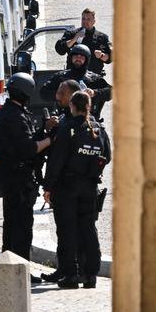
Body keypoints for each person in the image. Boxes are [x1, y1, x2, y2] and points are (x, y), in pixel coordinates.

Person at [41, 90, 111, 289]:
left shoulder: (68, 128)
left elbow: (57, 160)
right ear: (88, 106)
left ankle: (70, 275)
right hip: (89, 186)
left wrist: (48, 186)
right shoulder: (98, 129)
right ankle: (90, 275)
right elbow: (107, 155)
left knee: (67, 230)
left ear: (72, 106)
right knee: (88, 230)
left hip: (67, 187)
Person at [0, 73, 52, 283]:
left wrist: (43, 130)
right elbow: (28, 148)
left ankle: (7, 266)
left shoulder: (8, 112)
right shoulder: (15, 115)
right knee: (22, 227)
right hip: (19, 177)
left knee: (11, 224)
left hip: (9, 175)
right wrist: (49, 140)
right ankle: (21, 271)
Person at [39, 44, 112, 118]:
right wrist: (63, 95)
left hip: (89, 119)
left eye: (82, 57)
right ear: (71, 58)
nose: (78, 58)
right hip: (64, 117)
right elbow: (44, 92)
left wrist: (94, 92)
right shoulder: (61, 76)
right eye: (76, 56)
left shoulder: (93, 78)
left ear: (86, 60)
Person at [55, 9, 112, 75]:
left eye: (88, 19)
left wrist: (101, 55)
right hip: (73, 77)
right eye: (83, 19)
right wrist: (74, 39)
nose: (85, 21)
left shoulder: (102, 37)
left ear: (94, 21)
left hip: (94, 78)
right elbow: (60, 49)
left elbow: (111, 57)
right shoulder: (72, 34)